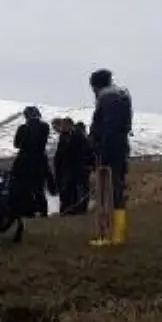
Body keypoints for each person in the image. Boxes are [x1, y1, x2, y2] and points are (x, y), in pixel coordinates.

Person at [87, 69, 133, 245]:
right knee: (118, 190)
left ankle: (105, 234)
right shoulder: (123, 96)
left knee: (105, 193)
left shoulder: (106, 99)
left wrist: (100, 150)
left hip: (108, 149)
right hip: (121, 148)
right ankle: (118, 235)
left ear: (96, 85)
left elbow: (106, 127)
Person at [12, 106, 57, 217]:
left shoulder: (23, 128)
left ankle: (28, 211)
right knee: (39, 189)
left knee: (25, 189)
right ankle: (43, 212)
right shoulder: (44, 127)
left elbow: (17, 144)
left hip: (24, 162)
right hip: (39, 161)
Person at [53, 118, 92, 215]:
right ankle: (69, 210)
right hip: (69, 169)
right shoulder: (65, 137)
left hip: (77, 168)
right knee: (69, 191)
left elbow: (86, 151)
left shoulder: (77, 136)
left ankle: (78, 210)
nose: (63, 128)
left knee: (78, 190)